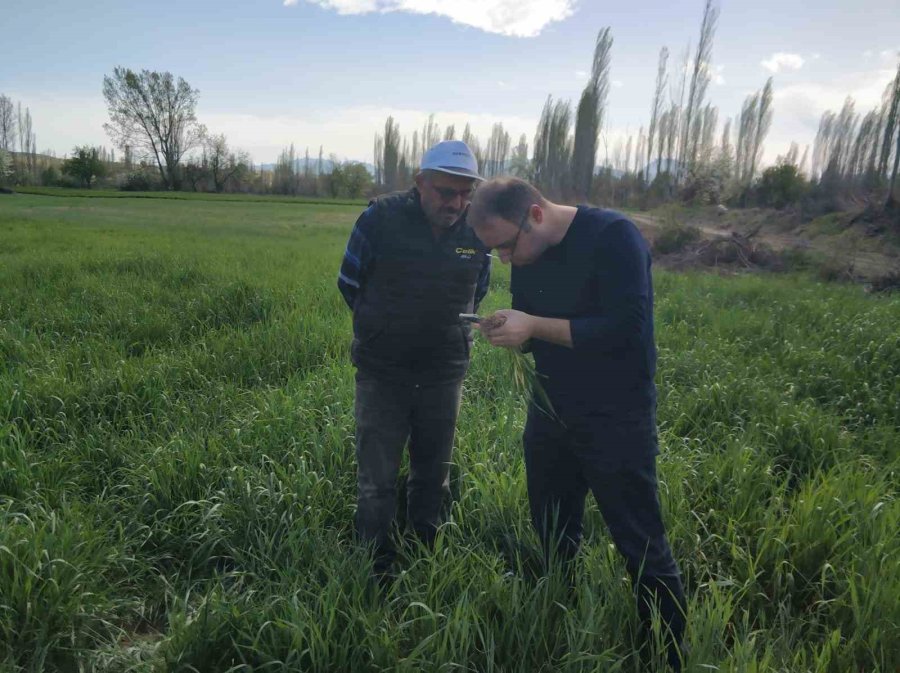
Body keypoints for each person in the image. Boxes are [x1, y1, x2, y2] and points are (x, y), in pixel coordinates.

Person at [466, 177, 687, 670]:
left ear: (535, 215)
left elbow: (624, 330)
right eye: (495, 252)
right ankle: (558, 623)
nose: (505, 259)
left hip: (615, 416)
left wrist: (533, 326)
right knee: (552, 529)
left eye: (506, 246)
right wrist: (512, 330)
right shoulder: (530, 253)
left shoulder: (614, 237)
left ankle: (668, 653)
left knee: (640, 541)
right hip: (550, 411)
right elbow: (536, 328)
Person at [337, 140, 490, 580]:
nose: (455, 203)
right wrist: (385, 328)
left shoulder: (475, 232)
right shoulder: (379, 219)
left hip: (444, 372)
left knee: (433, 475)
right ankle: (375, 564)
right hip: (382, 372)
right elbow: (349, 282)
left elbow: (478, 290)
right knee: (377, 480)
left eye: (465, 194)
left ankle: (424, 554)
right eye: (445, 192)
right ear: (421, 182)